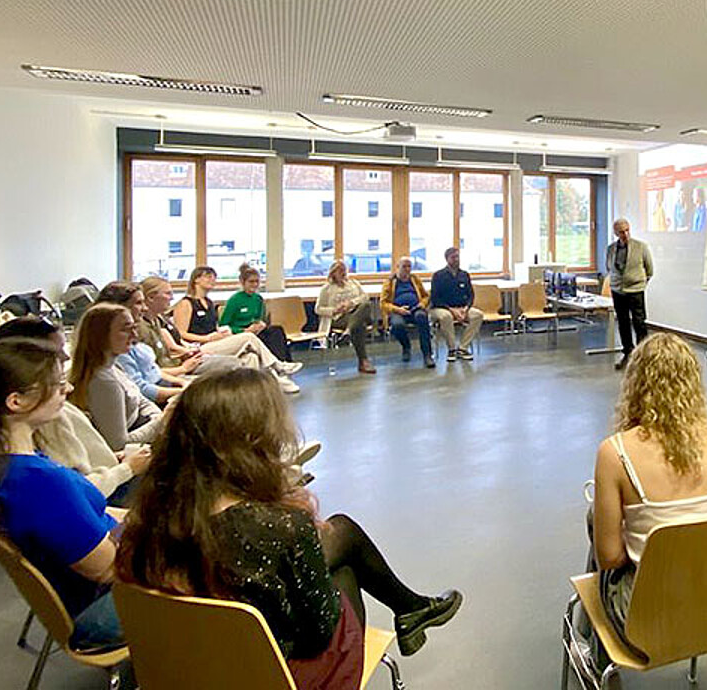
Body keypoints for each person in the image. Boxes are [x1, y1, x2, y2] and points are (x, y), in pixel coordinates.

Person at [115, 369, 462, 689]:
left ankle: (411, 609)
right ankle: (410, 610)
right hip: (269, 677)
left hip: (188, 671)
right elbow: (318, 635)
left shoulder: (149, 519)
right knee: (343, 573)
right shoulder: (279, 527)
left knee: (339, 539)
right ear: (253, 438)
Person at [0, 339, 126, 650]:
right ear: (16, 401)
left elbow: (91, 517)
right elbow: (108, 568)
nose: (67, 388)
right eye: (58, 383)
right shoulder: (39, 483)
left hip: (82, 595)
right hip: (103, 605)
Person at [590, 333, 707, 653]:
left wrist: (644, 541)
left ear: (635, 384)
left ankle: (594, 653)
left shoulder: (615, 453)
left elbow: (610, 558)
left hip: (645, 622)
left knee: (595, 521)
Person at [0, 317, 149, 504]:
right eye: (56, 353)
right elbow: (75, 492)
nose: (65, 357)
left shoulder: (47, 415)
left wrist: (116, 461)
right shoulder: (47, 417)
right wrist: (126, 469)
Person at [170, 267, 303, 390]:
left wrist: (221, 333)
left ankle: (255, 391)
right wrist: (207, 338)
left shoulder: (209, 303)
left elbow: (215, 327)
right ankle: (277, 365)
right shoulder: (186, 303)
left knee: (251, 357)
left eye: (214, 277)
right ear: (196, 279)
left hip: (214, 342)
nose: (212, 280)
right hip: (198, 348)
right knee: (248, 337)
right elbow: (180, 333)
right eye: (208, 277)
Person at [68, 302, 165, 451]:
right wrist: (163, 420)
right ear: (100, 335)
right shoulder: (103, 382)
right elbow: (118, 445)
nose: (135, 335)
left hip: (144, 424)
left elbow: (141, 400)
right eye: (125, 330)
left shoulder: (114, 366)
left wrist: (157, 418)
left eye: (133, 328)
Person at [219, 263, 294, 364]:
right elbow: (223, 326)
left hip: (255, 331)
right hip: (240, 333)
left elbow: (259, 319)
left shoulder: (258, 299)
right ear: (243, 282)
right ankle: (276, 363)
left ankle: (282, 361)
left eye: (257, 281)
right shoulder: (234, 300)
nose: (254, 284)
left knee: (276, 331)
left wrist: (260, 325)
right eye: (251, 282)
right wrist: (243, 330)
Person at [605, 218, 654, 370]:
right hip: (618, 290)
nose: (625, 234)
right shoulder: (611, 249)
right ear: (616, 233)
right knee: (623, 322)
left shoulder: (641, 247)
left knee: (639, 322)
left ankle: (643, 356)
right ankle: (628, 352)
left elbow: (649, 270)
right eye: (621, 232)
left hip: (635, 290)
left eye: (627, 230)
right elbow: (609, 267)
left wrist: (639, 283)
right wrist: (617, 282)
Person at [315, 260, 376, 374]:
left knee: (366, 305)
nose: (343, 273)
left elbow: (365, 297)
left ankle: (348, 331)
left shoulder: (354, 283)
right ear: (333, 273)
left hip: (354, 312)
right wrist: (334, 310)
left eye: (344, 270)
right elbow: (318, 309)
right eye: (340, 271)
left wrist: (351, 303)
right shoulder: (326, 289)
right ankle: (363, 362)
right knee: (360, 326)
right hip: (338, 318)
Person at [428, 247, 483, 362]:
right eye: (453, 257)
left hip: (461, 307)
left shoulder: (464, 275)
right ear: (447, 259)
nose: (456, 259)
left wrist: (466, 309)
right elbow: (435, 298)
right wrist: (452, 310)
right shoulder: (438, 275)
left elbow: (471, 295)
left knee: (477, 315)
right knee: (446, 317)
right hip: (441, 308)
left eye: (457, 257)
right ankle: (451, 349)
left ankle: (463, 348)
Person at [381, 256, 434, 368]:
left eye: (409, 266)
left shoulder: (415, 279)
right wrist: (398, 309)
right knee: (397, 325)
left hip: (415, 309)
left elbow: (426, 296)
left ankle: (427, 354)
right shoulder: (390, 282)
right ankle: (406, 346)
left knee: (422, 318)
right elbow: (383, 303)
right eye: (404, 266)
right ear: (397, 267)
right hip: (398, 311)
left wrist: (422, 304)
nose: (407, 269)